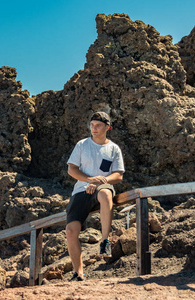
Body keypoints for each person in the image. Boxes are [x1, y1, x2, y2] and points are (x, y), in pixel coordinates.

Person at [66, 111, 125, 281]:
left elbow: (118, 175)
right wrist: (90, 179)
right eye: (92, 125)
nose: (94, 128)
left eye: (98, 125)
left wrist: (101, 181)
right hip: (81, 190)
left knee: (106, 194)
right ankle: (78, 273)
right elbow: (72, 170)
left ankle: (105, 240)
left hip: (102, 187)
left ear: (108, 127)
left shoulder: (113, 149)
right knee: (71, 231)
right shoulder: (82, 145)